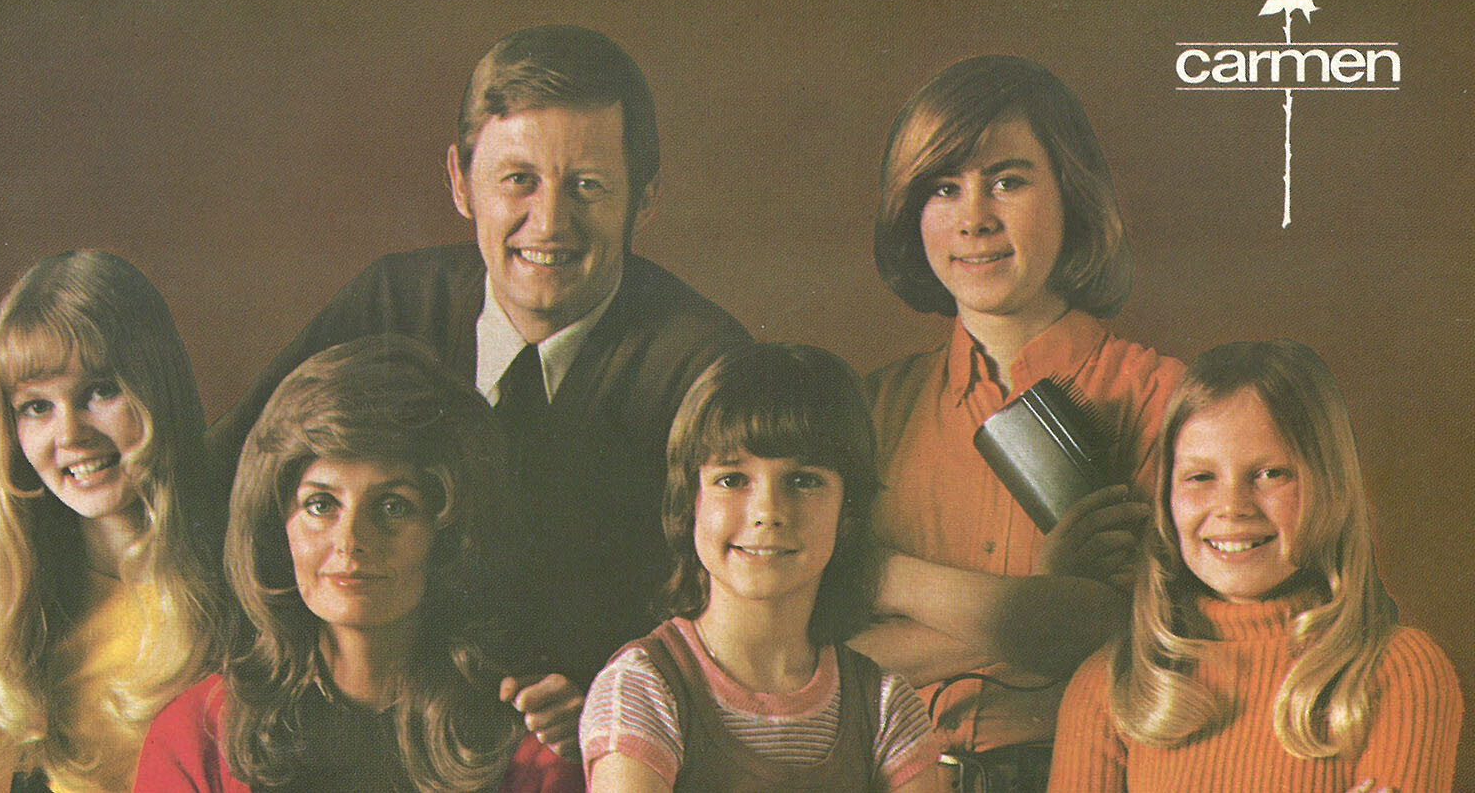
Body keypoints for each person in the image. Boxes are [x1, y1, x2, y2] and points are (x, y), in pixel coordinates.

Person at [0, 25, 750, 691]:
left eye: (589, 187)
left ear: (646, 197)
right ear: (460, 182)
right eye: (518, 180)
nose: (549, 221)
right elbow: (217, 473)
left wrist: (609, 701)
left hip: (588, 743)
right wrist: (1, 530)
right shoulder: (394, 303)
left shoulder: (703, 366)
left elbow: (754, 595)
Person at [852, 55, 1187, 791]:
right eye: (943, 188)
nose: (973, 218)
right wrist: (1043, 608)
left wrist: (885, 579)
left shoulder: (1167, 401)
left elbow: (1163, 637)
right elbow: (818, 658)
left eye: (1008, 181)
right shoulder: (869, 411)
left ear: (1072, 192)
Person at [135, 335, 585, 793]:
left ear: (448, 531)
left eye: (393, 506)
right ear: (276, 525)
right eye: (320, 505)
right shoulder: (197, 735)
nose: (351, 542)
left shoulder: (530, 741)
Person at [1046, 340, 1463, 793]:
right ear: (1167, 498)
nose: (1232, 507)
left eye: (1270, 474)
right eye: (1200, 477)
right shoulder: (1109, 688)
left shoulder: (1399, 671)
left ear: (1332, 487)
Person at [582, 343, 941, 793]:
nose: (768, 511)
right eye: (731, 480)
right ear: (689, 502)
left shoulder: (886, 707)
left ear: (847, 511)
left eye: (804, 480)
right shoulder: (643, 689)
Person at [0, 251, 226, 793]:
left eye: (100, 391)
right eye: (36, 407)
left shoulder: (245, 552)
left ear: (158, 386)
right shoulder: (6, 603)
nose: (70, 434)